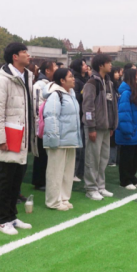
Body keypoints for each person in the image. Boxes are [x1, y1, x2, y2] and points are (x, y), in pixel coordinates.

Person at [0, 43, 35, 236]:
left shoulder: (27, 75)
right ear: (15, 57)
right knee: (6, 180)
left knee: (17, 179)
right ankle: (2, 220)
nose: (28, 55)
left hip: (23, 135)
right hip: (9, 136)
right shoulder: (4, 79)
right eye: (24, 52)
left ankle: (12, 216)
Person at [43, 68, 83, 210]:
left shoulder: (71, 94)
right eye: (70, 76)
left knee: (67, 172)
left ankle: (64, 198)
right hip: (58, 141)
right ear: (62, 80)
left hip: (70, 139)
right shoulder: (55, 95)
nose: (73, 79)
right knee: (55, 172)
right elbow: (51, 117)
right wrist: (54, 139)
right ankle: (53, 201)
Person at [82, 54, 119, 202]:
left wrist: (112, 125)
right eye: (108, 63)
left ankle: (100, 186)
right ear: (101, 65)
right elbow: (88, 107)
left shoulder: (109, 82)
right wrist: (91, 127)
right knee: (92, 158)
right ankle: (91, 188)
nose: (111, 65)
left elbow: (112, 105)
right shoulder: (92, 83)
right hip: (95, 128)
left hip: (106, 127)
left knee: (103, 158)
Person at [115, 68, 137, 190]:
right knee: (127, 157)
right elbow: (124, 114)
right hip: (130, 131)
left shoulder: (136, 91)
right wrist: (128, 130)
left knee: (135, 157)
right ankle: (125, 180)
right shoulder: (126, 93)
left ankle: (132, 177)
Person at [32, 61, 56, 192]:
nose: (57, 69)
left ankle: (44, 180)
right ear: (47, 70)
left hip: (48, 123)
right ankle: (39, 181)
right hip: (42, 125)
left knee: (46, 155)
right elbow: (37, 107)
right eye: (54, 66)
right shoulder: (40, 85)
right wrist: (39, 125)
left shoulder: (50, 84)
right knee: (41, 155)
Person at [70, 59, 89, 182]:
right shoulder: (76, 81)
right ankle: (73, 172)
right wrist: (83, 94)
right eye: (83, 64)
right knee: (78, 147)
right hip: (79, 116)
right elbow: (76, 98)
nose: (86, 66)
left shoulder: (85, 79)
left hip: (84, 116)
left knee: (84, 147)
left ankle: (80, 171)